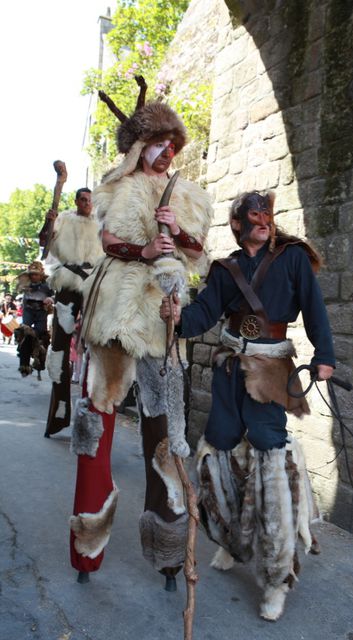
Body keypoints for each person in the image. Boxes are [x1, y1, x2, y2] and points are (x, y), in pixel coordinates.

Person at [161, 190, 335, 621]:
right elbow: (204, 313)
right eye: (254, 215)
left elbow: (314, 308)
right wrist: (178, 316)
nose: (264, 220)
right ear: (237, 224)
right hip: (228, 369)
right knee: (219, 449)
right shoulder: (226, 269)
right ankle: (231, 541)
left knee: (269, 452)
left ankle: (277, 577)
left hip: (271, 371)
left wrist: (324, 354)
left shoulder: (292, 258)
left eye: (268, 214)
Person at [70, 77, 212, 586]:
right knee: (97, 428)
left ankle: (169, 554)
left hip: (162, 321)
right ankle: (87, 548)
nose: (167, 153)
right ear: (141, 146)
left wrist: (180, 232)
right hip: (115, 314)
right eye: (158, 144)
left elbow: (199, 255)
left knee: (165, 435)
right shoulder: (118, 184)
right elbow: (108, 238)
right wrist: (144, 249)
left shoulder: (190, 195)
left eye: (172, 146)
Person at [40, 188, 104, 437]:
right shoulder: (64, 219)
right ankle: (59, 412)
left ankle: (93, 414)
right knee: (59, 348)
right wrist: (49, 221)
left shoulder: (101, 223)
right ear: (77, 201)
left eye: (90, 200)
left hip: (93, 285)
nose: (87, 203)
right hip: (67, 284)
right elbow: (45, 242)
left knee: (97, 344)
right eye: (83, 199)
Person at [15, 261, 53, 377]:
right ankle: (24, 364)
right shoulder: (26, 283)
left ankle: (40, 362)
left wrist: (50, 299)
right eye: (32, 274)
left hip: (41, 310)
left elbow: (54, 295)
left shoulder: (47, 285)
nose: (34, 277)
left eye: (36, 274)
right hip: (28, 310)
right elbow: (18, 288)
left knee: (41, 334)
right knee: (25, 332)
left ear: (41, 275)